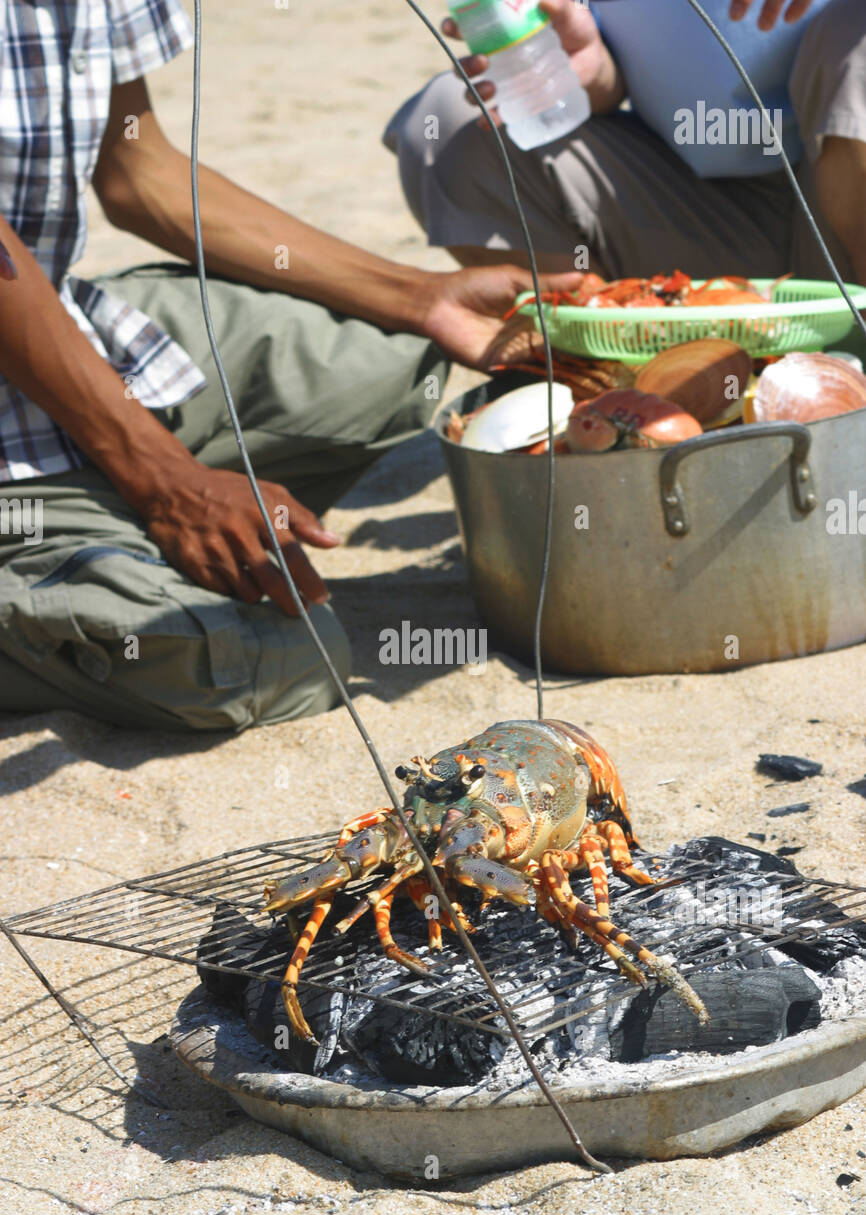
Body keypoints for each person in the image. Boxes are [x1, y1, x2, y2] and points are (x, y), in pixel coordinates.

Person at [0, 0, 579, 732]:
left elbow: (137, 167)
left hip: (47, 328)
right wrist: (168, 485)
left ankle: (101, 539)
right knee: (278, 661)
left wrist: (420, 298)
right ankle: (85, 544)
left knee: (397, 361)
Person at [385, 0, 866, 287]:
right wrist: (589, 72)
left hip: (839, 209)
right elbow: (620, 74)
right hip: (704, 216)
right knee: (450, 125)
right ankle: (628, 391)